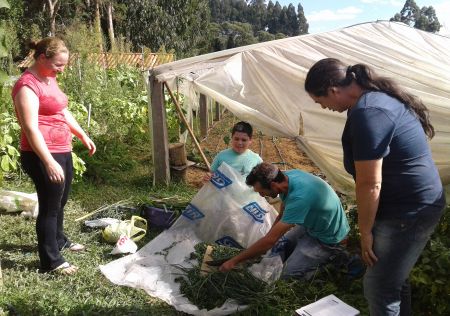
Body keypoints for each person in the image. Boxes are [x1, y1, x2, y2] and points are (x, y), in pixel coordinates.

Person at [304, 58, 445, 315]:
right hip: (411, 205)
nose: (323, 107)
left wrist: (366, 231)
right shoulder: (373, 101)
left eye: (319, 101)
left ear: (334, 91)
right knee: (392, 279)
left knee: (379, 287)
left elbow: (370, 183)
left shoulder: (369, 112)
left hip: (408, 211)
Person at [12, 37, 96, 275]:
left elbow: (61, 109)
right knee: (50, 206)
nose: (61, 69)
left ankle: (59, 240)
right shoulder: (26, 85)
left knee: (61, 200)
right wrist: (48, 161)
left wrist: (81, 135)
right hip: (41, 152)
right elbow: (30, 128)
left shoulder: (48, 77)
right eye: (58, 64)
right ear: (41, 58)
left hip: (62, 148)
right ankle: (52, 261)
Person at [219, 162, 350, 279]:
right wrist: (269, 239)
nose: (261, 195)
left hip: (328, 238)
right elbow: (282, 213)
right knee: (277, 248)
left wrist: (233, 261)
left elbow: (269, 241)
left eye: (262, 191)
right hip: (310, 224)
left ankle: (336, 258)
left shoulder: (300, 198)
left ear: (274, 185)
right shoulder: (287, 177)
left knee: (286, 275)